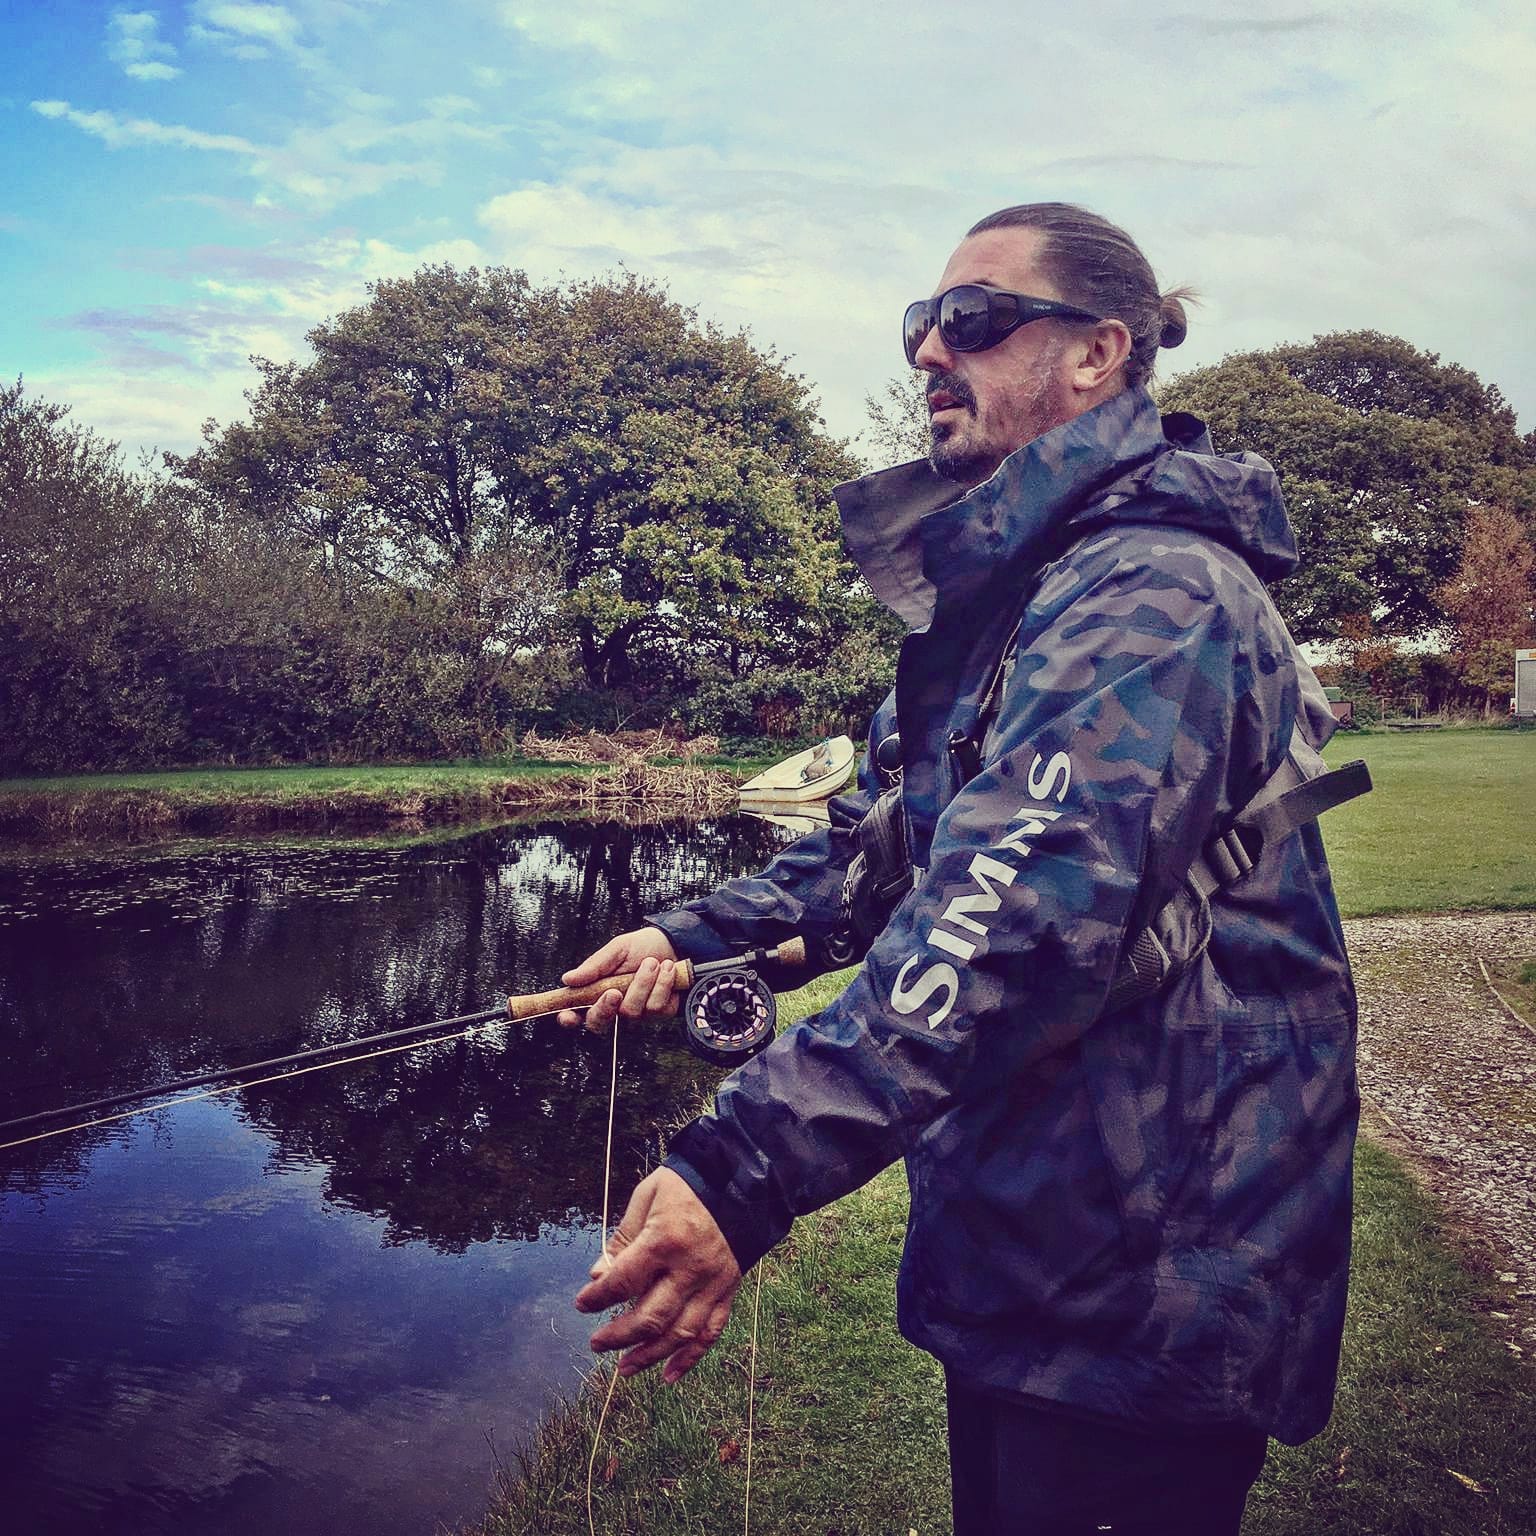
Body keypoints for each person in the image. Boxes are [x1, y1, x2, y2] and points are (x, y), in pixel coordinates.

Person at [563, 203, 1359, 1535]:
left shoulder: (1151, 595)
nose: (932, 350)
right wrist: (690, 939)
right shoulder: (1020, 600)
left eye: (974, 321)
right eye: (922, 324)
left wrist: (743, 1169)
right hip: (1038, 1255)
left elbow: (1002, 925)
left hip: (1146, 1284)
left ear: (1098, 353)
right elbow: (883, 844)